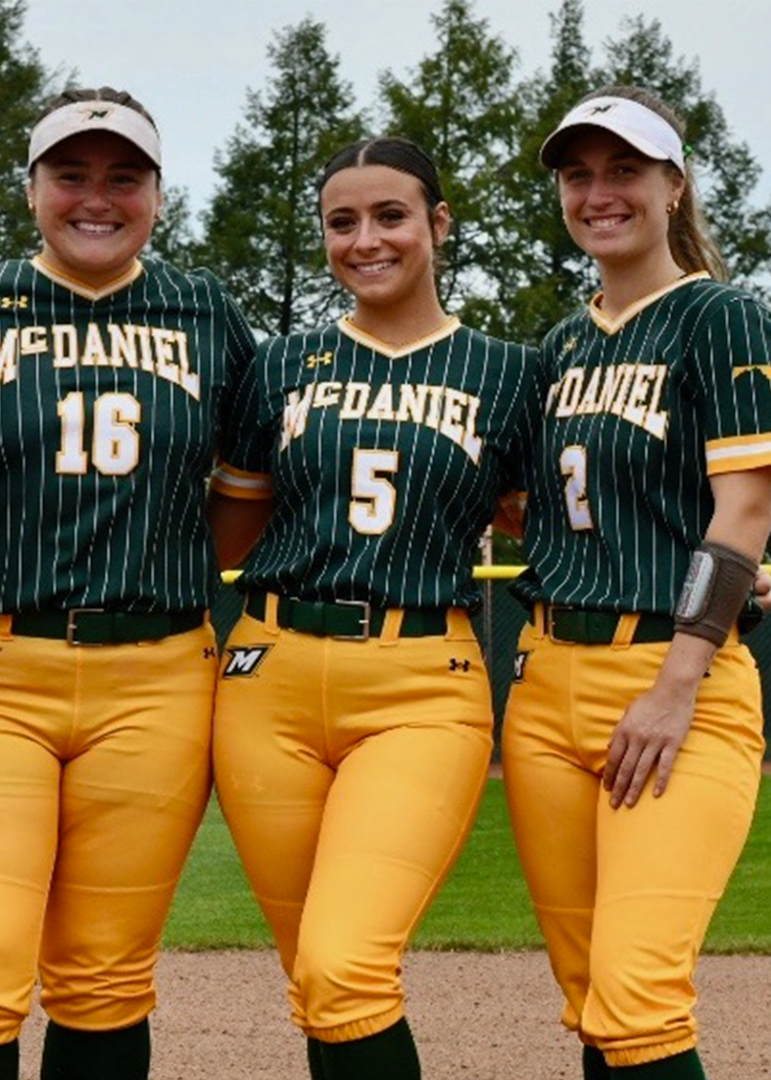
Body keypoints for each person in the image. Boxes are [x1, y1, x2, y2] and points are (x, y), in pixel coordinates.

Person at [0, 87, 255, 1080]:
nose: (96, 198)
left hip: (159, 673)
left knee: (104, 976)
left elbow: (252, 488)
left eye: (123, 177)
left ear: (156, 192)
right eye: (71, 175)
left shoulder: (205, 310)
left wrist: (159, 557)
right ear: (32, 189)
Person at [206, 137, 542, 1080]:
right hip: (265, 675)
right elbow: (223, 536)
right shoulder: (278, 365)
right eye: (341, 222)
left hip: (421, 679)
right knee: (317, 982)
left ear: (438, 224)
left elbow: (570, 517)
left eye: (390, 216)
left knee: (344, 965)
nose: (366, 239)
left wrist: (722, 564)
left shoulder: (509, 373)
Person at [501, 86, 771, 1080]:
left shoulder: (720, 317)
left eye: (624, 169)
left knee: (636, 1001)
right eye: (578, 173)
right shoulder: (558, 347)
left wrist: (676, 684)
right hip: (547, 685)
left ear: (673, 185)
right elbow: (528, 506)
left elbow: (748, 512)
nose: (599, 192)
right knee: (594, 1001)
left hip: (672, 681)